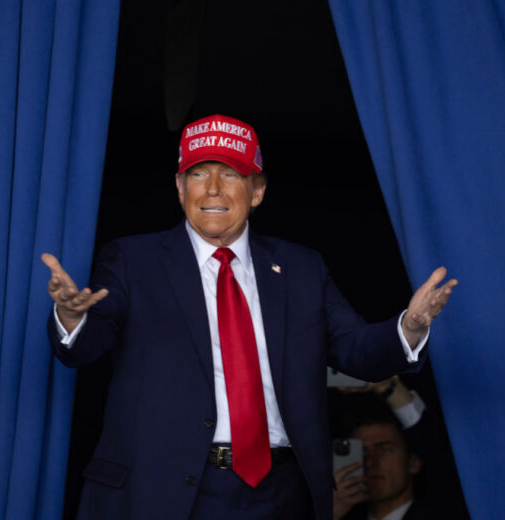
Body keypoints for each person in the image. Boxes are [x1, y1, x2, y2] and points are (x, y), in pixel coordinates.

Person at [41, 114, 457, 519]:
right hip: (162, 489)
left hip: (280, 493)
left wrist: (409, 327)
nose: (213, 189)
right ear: (180, 188)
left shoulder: (301, 269)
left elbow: (356, 348)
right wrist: (71, 317)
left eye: (231, 174)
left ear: (257, 191)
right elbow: (89, 342)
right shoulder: (133, 260)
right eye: (199, 174)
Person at [332, 378, 468, 520]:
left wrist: (387, 386)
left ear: (413, 462)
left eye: (384, 449)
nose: (370, 462)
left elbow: (435, 448)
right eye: (361, 451)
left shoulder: (449, 511)